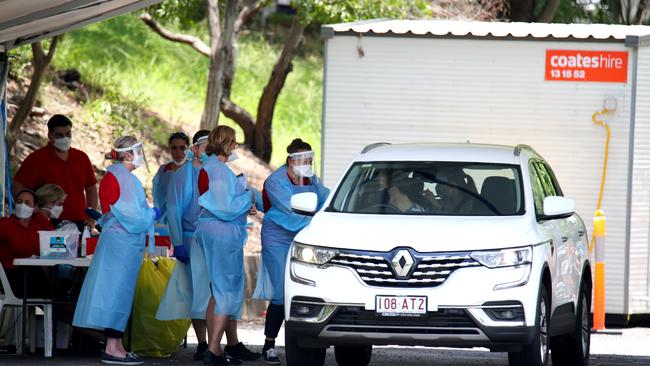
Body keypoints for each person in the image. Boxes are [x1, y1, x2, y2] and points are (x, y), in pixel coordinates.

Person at [73, 136, 157, 366]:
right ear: (128, 153)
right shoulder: (124, 178)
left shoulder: (114, 177)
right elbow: (135, 216)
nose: (141, 155)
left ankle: (116, 344)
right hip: (123, 244)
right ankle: (112, 347)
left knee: (118, 293)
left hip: (119, 243)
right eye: (138, 150)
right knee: (116, 294)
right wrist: (153, 214)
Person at [254, 139, 329, 364]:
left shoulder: (310, 179)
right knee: (280, 291)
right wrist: (317, 217)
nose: (307, 164)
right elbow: (293, 209)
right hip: (277, 238)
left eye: (309, 160)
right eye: (304, 160)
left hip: (302, 238)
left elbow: (325, 197)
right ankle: (268, 345)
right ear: (291, 161)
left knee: (304, 289)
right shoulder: (276, 181)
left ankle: (300, 342)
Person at [191, 126, 259, 365]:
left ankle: (216, 348)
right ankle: (213, 350)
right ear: (228, 143)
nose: (235, 147)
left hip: (209, 230)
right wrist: (247, 196)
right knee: (226, 292)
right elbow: (226, 208)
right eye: (234, 143)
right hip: (221, 233)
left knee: (216, 291)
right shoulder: (218, 171)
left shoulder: (208, 168)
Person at [161, 129, 211, 360]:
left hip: (216, 240)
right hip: (191, 238)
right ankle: (203, 342)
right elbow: (172, 210)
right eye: (206, 145)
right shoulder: (183, 175)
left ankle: (218, 342)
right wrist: (178, 242)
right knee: (196, 292)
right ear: (196, 148)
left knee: (216, 292)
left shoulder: (218, 172)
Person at [13, 114, 99, 232]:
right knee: (51, 250)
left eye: (68, 134)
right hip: (47, 223)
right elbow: (18, 185)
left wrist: (91, 218)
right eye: (59, 135)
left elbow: (91, 188)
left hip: (79, 222)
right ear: (50, 135)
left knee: (77, 250)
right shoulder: (37, 158)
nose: (65, 138)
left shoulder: (81, 158)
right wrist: (27, 211)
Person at [0, 190, 53, 298]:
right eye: (19, 201)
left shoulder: (36, 228)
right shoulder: (5, 224)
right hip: (10, 276)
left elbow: (43, 253)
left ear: (35, 208)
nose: (22, 205)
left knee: (61, 283)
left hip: (31, 275)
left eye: (27, 203)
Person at [152, 132, 191, 221]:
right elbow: (157, 196)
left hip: (187, 222)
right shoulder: (163, 170)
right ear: (169, 148)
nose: (178, 152)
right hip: (164, 221)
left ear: (188, 149)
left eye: (182, 148)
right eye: (174, 148)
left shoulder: (193, 170)